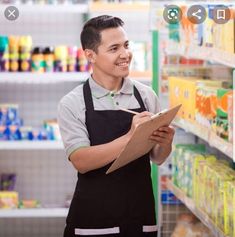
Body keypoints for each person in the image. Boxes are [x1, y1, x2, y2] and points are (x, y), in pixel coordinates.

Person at [58, 15, 175, 237]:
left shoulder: (146, 96)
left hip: (139, 216)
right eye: (114, 48)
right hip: (92, 220)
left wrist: (165, 142)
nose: (125, 54)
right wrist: (130, 137)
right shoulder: (73, 102)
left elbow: (157, 158)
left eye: (126, 45)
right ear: (90, 55)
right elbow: (81, 161)